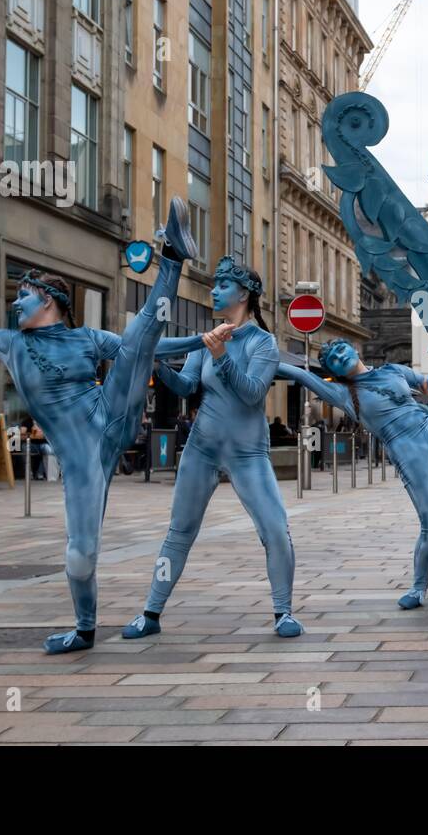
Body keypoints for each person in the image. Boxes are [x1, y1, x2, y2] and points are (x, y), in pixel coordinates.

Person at [0, 198, 207, 654]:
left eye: (21, 297)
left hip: (110, 416)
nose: (15, 304)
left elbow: (151, 345)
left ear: (47, 299)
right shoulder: (10, 344)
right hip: (82, 456)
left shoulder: (87, 338)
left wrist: (205, 338)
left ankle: (171, 260)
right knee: (81, 557)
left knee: (134, 345)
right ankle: (84, 629)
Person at [125, 258, 304, 640]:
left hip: (248, 453)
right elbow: (189, 386)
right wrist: (160, 368)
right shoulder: (202, 341)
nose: (213, 289)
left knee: (275, 529)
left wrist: (221, 355)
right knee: (179, 531)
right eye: (214, 283)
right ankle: (150, 612)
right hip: (202, 447)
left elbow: (253, 393)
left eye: (222, 284)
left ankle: (283, 611)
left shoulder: (262, 343)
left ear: (244, 293)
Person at [277, 334, 428, 609]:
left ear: (354, 347)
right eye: (334, 360)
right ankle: (418, 587)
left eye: (341, 349)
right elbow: (296, 373)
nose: (340, 357)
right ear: (334, 372)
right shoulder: (341, 394)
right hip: (412, 453)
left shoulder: (393, 370)